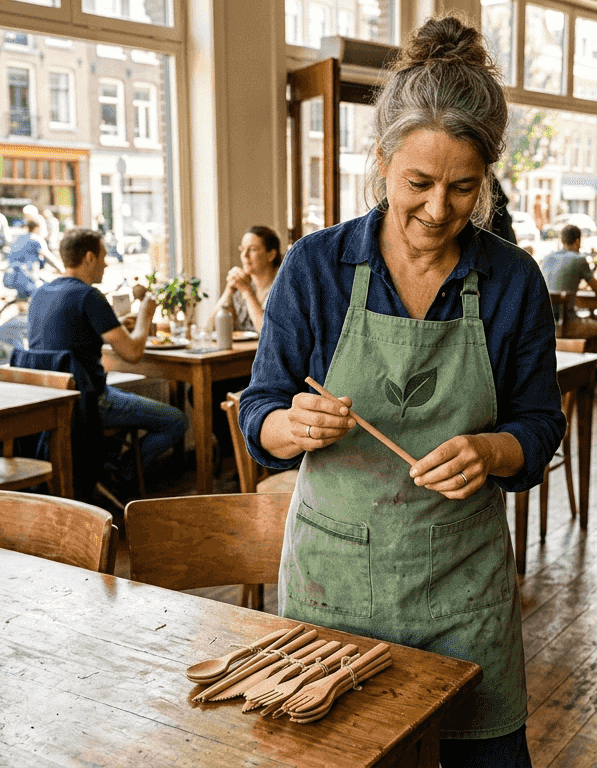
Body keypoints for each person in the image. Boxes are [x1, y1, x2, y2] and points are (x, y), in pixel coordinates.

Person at [239, 16, 563, 766]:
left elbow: (541, 426)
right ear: (380, 160)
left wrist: (493, 448)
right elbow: (261, 408)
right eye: (418, 183)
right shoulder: (317, 269)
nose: (439, 209)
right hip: (335, 588)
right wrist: (292, 426)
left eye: (463, 188)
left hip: (464, 588)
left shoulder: (512, 281)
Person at [27, 228, 188, 485]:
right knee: (175, 420)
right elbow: (133, 353)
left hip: (51, 403)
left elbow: (71, 334)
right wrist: (146, 316)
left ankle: (107, 467)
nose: (106, 262)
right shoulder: (89, 296)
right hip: (88, 403)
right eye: (103, 256)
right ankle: (121, 473)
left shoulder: (41, 294)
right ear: (89, 258)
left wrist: (119, 323)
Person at [213, 225, 282, 334]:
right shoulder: (242, 282)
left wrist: (247, 292)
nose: (244, 255)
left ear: (271, 255)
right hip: (244, 350)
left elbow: (269, 334)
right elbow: (210, 329)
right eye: (242, 249)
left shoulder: (284, 284)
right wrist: (228, 291)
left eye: (252, 249)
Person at [4, 215, 55, 300]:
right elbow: (49, 257)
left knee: (24, 296)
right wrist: (63, 269)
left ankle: (22, 307)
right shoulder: (36, 239)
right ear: (37, 228)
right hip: (28, 276)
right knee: (47, 290)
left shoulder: (18, 238)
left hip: (11, 276)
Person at [540, 224, 597, 295]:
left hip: (544, 305)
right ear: (578, 241)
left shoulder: (547, 258)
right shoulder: (579, 260)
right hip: (564, 305)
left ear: (562, 240)